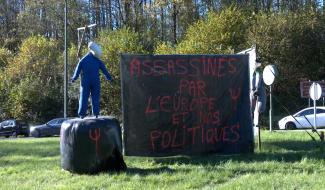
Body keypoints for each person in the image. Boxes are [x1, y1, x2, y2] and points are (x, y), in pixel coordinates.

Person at [71, 42, 113, 118]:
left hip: (85, 82)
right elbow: (104, 70)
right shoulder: (97, 60)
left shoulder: (83, 60)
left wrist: (74, 78)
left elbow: (77, 70)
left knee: (84, 97)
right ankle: (96, 114)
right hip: (95, 81)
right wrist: (109, 78)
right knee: (95, 98)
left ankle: (82, 114)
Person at [251, 58, 266, 128]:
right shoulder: (258, 69)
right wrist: (257, 88)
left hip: (252, 89)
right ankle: (258, 122)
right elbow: (258, 78)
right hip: (258, 88)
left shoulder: (252, 69)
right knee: (261, 105)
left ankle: (252, 121)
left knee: (252, 106)